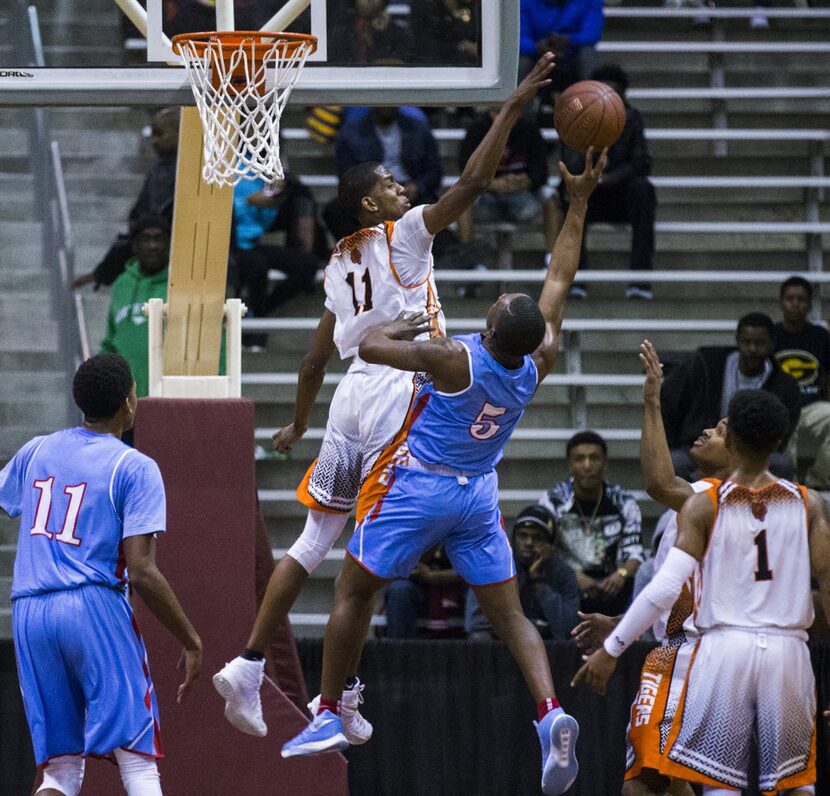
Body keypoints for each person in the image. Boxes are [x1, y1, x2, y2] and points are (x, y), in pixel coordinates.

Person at [212, 53, 558, 747]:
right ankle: (336, 702)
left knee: (315, 540)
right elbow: (475, 181)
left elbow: (316, 357)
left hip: (347, 402)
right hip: (398, 398)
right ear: (372, 203)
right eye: (393, 184)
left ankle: (248, 665)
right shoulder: (405, 236)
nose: (404, 189)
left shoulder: (338, 263)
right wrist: (513, 105)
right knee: (364, 572)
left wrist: (300, 422)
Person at [280, 146, 607, 796]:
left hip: (420, 486)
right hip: (479, 495)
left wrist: (400, 324)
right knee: (513, 618)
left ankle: (324, 712)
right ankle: (549, 714)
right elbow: (560, 279)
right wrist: (578, 201)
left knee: (352, 592)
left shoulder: (455, 359)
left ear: (490, 324)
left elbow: (369, 347)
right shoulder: (537, 362)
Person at [574, 388, 830, 795]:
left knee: (718, 782)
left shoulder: (707, 503)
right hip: (787, 652)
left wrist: (613, 647)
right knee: (795, 786)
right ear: (779, 443)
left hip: (723, 650)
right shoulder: (808, 503)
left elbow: (665, 588)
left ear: (732, 440)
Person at [0, 353, 202, 796]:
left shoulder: (36, 449)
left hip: (30, 611)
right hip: (91, 604)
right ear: (129, 403)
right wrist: (190, 639)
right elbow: (143, 573)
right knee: (139, 761)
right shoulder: (134, 466)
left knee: (60, 770)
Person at [572, 340, 731, 796]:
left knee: (642, 785)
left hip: (691, 656)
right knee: (668, 782)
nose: (706, 430)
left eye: (720, 430)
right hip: (681, 646)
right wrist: (625, 622)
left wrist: (651, 400)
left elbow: (659, 482)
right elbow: (678, 593)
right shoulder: (698, 499)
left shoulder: (714, 500)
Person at [662, 311, 801, 482]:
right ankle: (688, 508)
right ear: (737, 340)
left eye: (759, 343)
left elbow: (782, 431)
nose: (752, 349)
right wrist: (675, 441)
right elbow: (668, 397)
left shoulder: (784, 385)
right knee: (676, 461)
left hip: (752, 452)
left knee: (781, 464)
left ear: (772, 343)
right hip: (706, 443)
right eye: (746, 342)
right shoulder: (707, 364)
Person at [557, 64, 656, 300]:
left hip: (620, 193)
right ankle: (575, 279)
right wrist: (591, 140)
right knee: (566, 190)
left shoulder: (632, 119)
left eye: (615, 93)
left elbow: (642, 162)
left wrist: (610, 178)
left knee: (644, 189)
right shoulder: (576, 117)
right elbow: (569, 163)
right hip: (588, 196)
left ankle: (640, 281)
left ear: (622, 96)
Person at [539, 430, 644, 616]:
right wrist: (573, 577)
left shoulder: (624, 502)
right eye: (579, 459)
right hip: (569, 581)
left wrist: (621, 574)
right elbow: (545, 551)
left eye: (594, 458)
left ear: (605, 463)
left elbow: (635, 552)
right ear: (570, 465)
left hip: (613, 583)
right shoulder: (553, 500)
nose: (587, 466)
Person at [73, 108, 178, 290]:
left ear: (180, 132)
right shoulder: (161, 169)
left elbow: (147, 225)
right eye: (152, 134)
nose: (154, 141)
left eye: (160, 134)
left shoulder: (173, 172)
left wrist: (105, 271)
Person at [231, 171, 329, 350]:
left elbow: (268, 202)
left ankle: (260, 313)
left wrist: (271, 199)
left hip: (253, 242)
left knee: (307, 264)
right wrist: (248, 201)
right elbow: (245, 201)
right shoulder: (234, 168)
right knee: (256, 266)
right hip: (231, 245)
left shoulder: (268, 170)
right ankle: (256, 319)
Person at [324, 106, 443, 241]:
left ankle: (430, 258)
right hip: (370, 190)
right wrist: (373, 192)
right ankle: (360, 255)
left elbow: (435, 171)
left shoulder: (417, 127)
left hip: (409, 191)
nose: (387, 107)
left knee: (430, 208)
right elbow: (346, 175)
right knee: (336, 210)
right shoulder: (352, 131)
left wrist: (416, 187)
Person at [465, 505, 580, 642]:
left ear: (550, 545)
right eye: (523, 535)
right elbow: (476, 623)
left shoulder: (564, 573)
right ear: (513, 539)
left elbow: (568, 629)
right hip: (503, 645)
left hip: (549, 646)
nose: (529, 543)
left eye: (537, 538)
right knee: (479, 638)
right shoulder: (493, 568)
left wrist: (540, 583)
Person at [456, 105, 557, 255]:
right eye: (497, 113)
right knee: (460, 198)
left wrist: (525, 181)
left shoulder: (529, 130)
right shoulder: (477, 130)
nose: (503, 118)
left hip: (523, 198)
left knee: (552, 198)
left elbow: (541, 172)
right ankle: (467, 257)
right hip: (486, 198)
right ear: (489, 110)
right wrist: (492, 183)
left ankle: (552, 260)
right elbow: (465, 172)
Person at [100, 216, 171, 398]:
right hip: (125, 402)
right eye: (146, 239)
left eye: (159, 239)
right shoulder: (122, 284)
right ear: (134, 246)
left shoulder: (180, 283)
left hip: (170, 398)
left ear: (170, 244)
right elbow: (111, 341)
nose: (153, 246)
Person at [773, 275, 830, 489]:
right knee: (785, 427)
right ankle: (788, 486)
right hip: (782, 405)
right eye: (790, 298)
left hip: (812, 406)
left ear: (809, 304)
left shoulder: (821, 336)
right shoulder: (772, 335)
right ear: (781, 302)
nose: (795, 304)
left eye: (801, 299)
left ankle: (817, 480)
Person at [519, 0, 604, 94]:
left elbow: (592, 35)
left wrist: (568, 40)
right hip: (538, 56)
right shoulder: (525, 2)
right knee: (522, 61)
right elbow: (519, 38)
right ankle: (518, 107)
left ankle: (594, 102)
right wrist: (537, 47)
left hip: (572, 56)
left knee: (587, 53)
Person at [385, 545, 465, 639]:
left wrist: (434, 576)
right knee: (399, 589)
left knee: (480, 583)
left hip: (460, 585)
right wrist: (434, 540)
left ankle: (480, 643)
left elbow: (475, 566)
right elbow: (397, 565)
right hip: (418, 584)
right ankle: (398, 649)